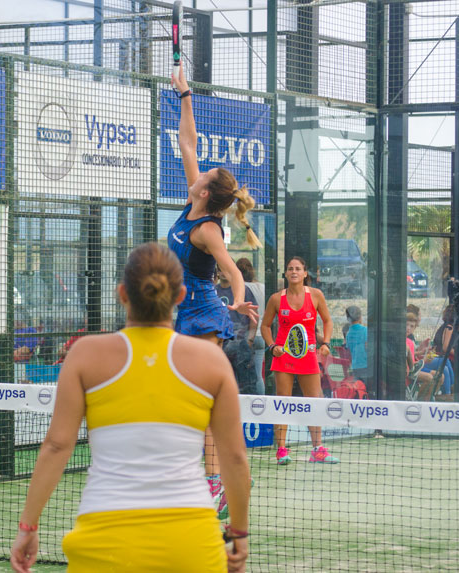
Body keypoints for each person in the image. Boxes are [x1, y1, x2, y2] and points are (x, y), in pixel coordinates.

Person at [9, 243, 251, 573]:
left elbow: (57, 445)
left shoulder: (85, 355)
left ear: (122, 294)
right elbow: (234, 457)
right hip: (192, 543)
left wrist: (28, 528)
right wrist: (239, 533)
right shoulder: (211, 360)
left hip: (104, 541)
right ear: (181, 296)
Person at [167, 65, 260, 514]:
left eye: (206, 174)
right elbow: (187, 141)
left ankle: (215, 483)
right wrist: (185, 94)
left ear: (207, 191)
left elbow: (231, 269)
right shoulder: (192, 197)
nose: (198, 173)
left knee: (201, 399)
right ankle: (202, 475)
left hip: (203, 314)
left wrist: (240, 297)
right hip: (179, 312)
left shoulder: (208, 229)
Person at [261, 256, 338, 465]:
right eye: (290, 269)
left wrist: (327, 343)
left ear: (305, 274)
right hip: (283, 357)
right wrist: (272, 346)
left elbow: (328, 320)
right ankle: (282, 451)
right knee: (282, 404)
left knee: (314, 401)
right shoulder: (276, 299)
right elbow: (265, 326)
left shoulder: (316, 295)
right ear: (286, 274)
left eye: (298, 269)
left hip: (309, 356)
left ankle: (318, 449)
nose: (293, 271)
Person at [216, 266, 258, 395]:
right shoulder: (213, 291)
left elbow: (254, 315)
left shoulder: (243, 290)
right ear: (217, 272)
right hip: (220, 343)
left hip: (241, 342)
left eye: (226, 269)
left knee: (247, 385)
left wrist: (249, 339)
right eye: (220, 269)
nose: (223, 272)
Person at [237, 257, 266, 394]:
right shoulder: (262, 287)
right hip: (261, 335)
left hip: (248, 335)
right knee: (258, 375)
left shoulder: (241, 288)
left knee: (243, 375)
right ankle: (261, 404)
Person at [344, 305, 369, 393]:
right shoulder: (366, 330)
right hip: (366, 366)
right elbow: (367, 347)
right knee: (367, 390)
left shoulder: (348, 334)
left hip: (355, 367)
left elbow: (349, 350)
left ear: (348, 318)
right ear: (360, 317)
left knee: (358, 390)